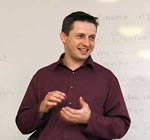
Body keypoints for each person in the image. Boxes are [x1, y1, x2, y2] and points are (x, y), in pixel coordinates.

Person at [16, 11, 131, 140]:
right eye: (80, 36)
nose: (87, 43)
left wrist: (89, 119)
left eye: (92, 37)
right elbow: (22, 125)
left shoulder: (107, 78)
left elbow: (121, 126)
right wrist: (41, 109)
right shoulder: (42, 76)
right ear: (63, 37)